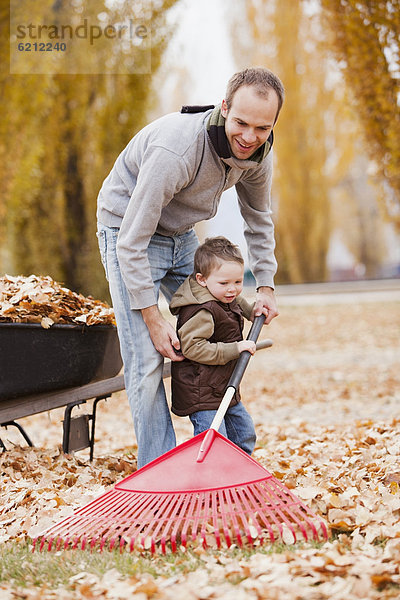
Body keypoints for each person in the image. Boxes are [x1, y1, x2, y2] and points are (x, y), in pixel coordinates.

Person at [96, 66, 284, 468]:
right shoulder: (178, 149)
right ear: (224, 108)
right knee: (147, 360)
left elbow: (258, 218)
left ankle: (217, 448)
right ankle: (159, 468)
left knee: (217, 326)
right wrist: (152, 317)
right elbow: (131, 239)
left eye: (262, 128)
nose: (250, 137)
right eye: (241, 123)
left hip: (181, 235)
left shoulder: (258, 155)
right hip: (128, 231)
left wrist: (265, 285)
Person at [170, 237, 257, 454]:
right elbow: (192, 347)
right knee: (213, 443)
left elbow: (239, 305)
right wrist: (234, 349)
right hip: (201, 390)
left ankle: (238, 476)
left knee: (244, 432)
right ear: (202, 280)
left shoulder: (225, 297)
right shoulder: (203, 310)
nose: (232, 290)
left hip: (223, 386)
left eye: (238, 282)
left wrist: (255, 311)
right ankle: (210, 481)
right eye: (225, 283)